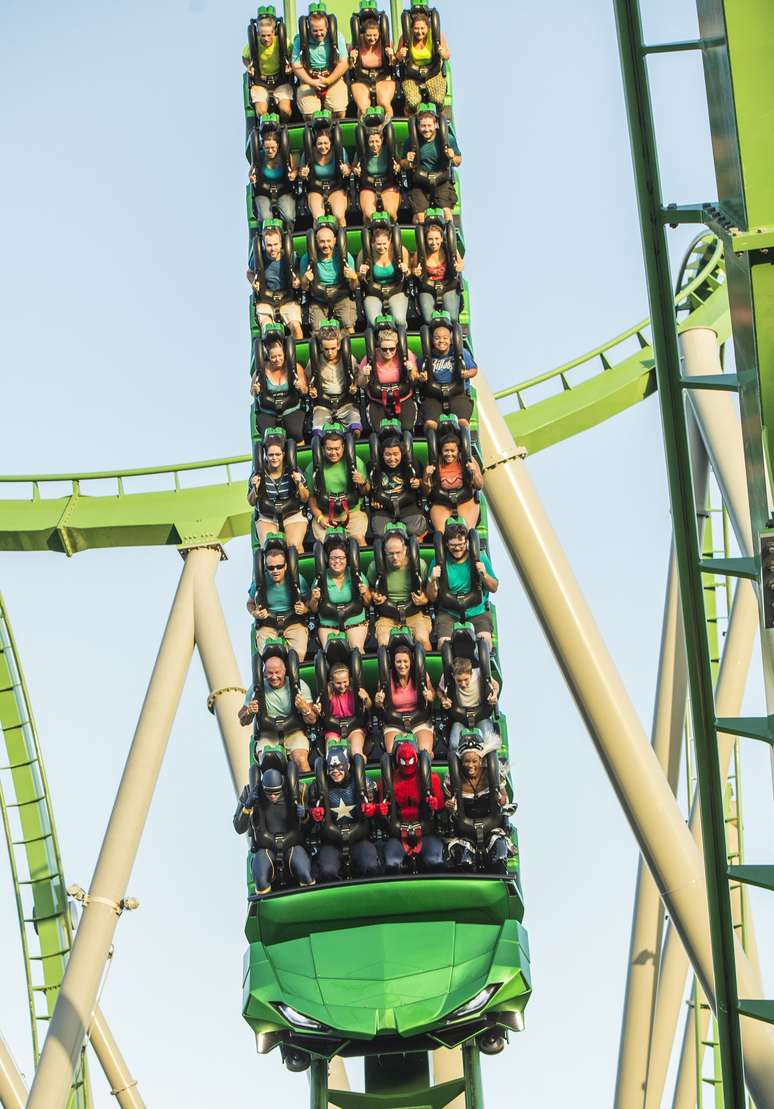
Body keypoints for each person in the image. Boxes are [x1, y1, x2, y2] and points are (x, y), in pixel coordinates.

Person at [233, 766, 315, 898]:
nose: (272, 796)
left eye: (276, 793)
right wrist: (247, 807)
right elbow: (238, 827)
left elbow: (314, 828)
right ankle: (264, 900)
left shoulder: (300, 790)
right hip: (265, 847)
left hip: (293, 844)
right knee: (260, 878)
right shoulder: (250, 791)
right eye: (269, 793)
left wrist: (305, 815)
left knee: (304, 871)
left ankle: (311, 898)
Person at [307, 747, 381, 881]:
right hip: (331, 841)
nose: (335, 772)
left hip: (359, 837)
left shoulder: (365, 783)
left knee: (371, 866)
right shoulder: (317, 788)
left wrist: (373, 809)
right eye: (331, 768)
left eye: (339, 767)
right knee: (327, 871)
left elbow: (378, 818)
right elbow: (308, 824)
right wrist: (313, 814)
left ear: (348, 765)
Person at [444, 730, 513, 875]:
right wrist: (450, 806)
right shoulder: (453, 779)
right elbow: (450, 804)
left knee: (498, 858)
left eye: (474, 761)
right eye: (466, 761)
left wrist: (502, 800)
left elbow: (506, 798)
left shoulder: (493, 774)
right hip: (466, 829)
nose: (470, 765)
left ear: (480, 760)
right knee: (464, 861)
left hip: (491, 826)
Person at [425, 516, 499, 649]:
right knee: (443, 643)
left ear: (466, 542)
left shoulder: (480, 557)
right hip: (449, 612)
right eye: (453, 546)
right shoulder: (438, 562)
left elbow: (494, 588)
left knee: (485, 640)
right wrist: (431, 580)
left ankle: (478, 668)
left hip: (476, 611)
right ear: (446, 544)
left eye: (461, 545)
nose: (458, 549)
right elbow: (432, 597)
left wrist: (484, 574)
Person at [239, 652, 317, 772]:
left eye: (277, 672)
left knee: (301, 760)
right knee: (268, 761)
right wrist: (249, 712)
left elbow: (312, 720)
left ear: (285, 671)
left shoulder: (300, 686)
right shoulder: (256, 689)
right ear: (264, 673)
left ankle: (307, 789)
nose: (274, 677)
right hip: (268, 734)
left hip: (293, 732)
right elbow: (242, 720)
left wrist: (304, 708)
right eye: (270, 673)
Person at [378, 739, 445, 874]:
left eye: (410, 760)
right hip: (397, 834)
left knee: (435, 861)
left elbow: (441, 807)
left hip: (426, 831)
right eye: (403, 761)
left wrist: (436, 804)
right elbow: (380, 814)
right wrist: (381, 811)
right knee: (392, 864)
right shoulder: (386, 782)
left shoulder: (432, 779)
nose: (407, 763)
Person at [305, 424, 370, 544]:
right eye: (329, 449)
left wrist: (363, 482)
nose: (333, 453)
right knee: (328, 544)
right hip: (325, 513)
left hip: (352, 512)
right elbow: (312, 497)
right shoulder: (313, 467)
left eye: (337, 448)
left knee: (359, 540)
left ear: (343, 447)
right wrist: (319, 518)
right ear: (323, 448)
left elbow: (366, 491)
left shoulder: (356, 462)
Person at [368, 525, 432, 647]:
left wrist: (425, 598)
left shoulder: (419, 565)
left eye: (398, 552)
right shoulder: (375, 567)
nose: (395, 557)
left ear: (406, 549)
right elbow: (370, 587)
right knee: (384, 642)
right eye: (390, 554)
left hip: (413, 613)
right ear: (384, 552)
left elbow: (427, 589)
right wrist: (374, 595)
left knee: (422, 638)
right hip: (387, 615)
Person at [248, 538, 311, 658]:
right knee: (267, 656)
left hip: (293, 621)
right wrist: (254, 613)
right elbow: (250, 603)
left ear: (286, 566)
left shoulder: (297, 579)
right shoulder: (260, 581)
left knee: (298, 655)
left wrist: (305, 609)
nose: (275, 571)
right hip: (268, 623)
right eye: (271, 568)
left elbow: (309, 601)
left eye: (279, 566)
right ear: (266, 567)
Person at [308, 531, 371, 652]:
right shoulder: (321, 577)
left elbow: (368, 603)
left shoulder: (356, 574)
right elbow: (314, 609)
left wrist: (365, 592)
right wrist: (315, 599)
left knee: (357, 650)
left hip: (355, 621)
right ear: (328, 559)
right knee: (330, 651)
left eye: (341, 558)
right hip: (329, 623)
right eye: (333, 558)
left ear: (347, 559)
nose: (337, 561)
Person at [247, 429, 310, 550]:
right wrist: (255, 488)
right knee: (270, 546)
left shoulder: (294, 470)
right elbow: (251, 501)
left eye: (278, 454)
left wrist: (299, 484)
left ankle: (296, 568)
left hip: (292, 513)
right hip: (267, 516)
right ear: (266, 455)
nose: (274, 458)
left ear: (284, 454)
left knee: (294, 546)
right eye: (271, 455)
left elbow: (305, 497)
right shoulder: (258, 473)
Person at [374, 636, 435, 753]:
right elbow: (378, 705)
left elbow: (433, 696)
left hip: (419, 720)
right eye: (398, 662)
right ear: (394, 662)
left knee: (425, 751)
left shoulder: (421, 675)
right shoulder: (386, 678)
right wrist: (378, 701)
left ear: (411, 662)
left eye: (405, 661)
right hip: (394, 722)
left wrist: (430, 697)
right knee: (394, 752)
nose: (402, 665)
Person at [358, 321, 421, 432]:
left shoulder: (406, 355)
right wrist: (365, 375)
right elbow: (361, 384)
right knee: (379, 430)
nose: (388, 352)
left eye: (392, 349)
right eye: (384, 349)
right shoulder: (369, 358)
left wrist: (411, 370)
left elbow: (415, 380)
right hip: (378, 400)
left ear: (396, 346)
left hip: (402, 398)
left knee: (407, 428)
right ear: (379, 346)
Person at [402, 105, 460, 223]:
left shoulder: (447, 139)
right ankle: (423, 238)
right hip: (420, 182)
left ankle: (446, 235)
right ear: (418, 126)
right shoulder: (410, 141)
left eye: (429, 126)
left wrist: (452, 156)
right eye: (423, 126)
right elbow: (403, 164)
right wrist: (408, 161)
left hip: (441, 180)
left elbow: (458, 161)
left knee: (446, 212)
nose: (426, 129)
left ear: (435, 125)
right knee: (419, 217)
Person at [422, 420, 483, 531]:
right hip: (441, 502)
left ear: (457, 450)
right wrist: (426, 477)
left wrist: (474, 472)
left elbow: (479, 485)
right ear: (441, 450)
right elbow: (426, 492)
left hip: (465, 500)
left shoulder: (467, 459)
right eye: (446, 451)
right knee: (441, 531)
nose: (449, 454)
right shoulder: (435, 461)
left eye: (452, 451)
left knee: (467, 531)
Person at [419, 313, 477, 430]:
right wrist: (420, 376)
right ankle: (435, 445)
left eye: (445, 338)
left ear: (450, 339)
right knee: (430, 424)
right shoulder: (425, 356)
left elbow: (474, 370)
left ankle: (461, 445)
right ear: (432, 340)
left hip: (457, 392)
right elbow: (416, 374)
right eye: (437, 338)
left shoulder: (462, 353)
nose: (441, 341)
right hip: (434, 395)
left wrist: (467, 373)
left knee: (462, 422)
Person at [300, 220, 359, 333]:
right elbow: (304, 287)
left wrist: (353, 277)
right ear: (316, 241)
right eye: (322, 242)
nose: (326, 245)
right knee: (317, 330)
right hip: (318, 299)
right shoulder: (307, 258)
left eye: (328, 241)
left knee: (348, 325)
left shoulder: (345, 257)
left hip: (341, 296)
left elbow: (353, 287)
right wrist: (306, 280)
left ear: (335, 240)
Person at [367, 428, 427, 538]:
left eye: (396, 454)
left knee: (415, 530)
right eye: (388, 454)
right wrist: (373, 501)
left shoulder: (413, 464)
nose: (392, 458)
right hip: (384, 508)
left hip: (408, 505)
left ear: (402, 453)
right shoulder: (373, 466)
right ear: (382, 454)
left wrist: (419, 482)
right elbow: (370, 490)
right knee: (380, 533)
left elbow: (424, 488)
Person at [291, 7, 350, 120]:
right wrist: (311, 81)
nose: (319, 33)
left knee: (339, 111)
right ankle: (315, 135)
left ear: (327, 27)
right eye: (315, 30)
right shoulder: (300, 40)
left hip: (332, 77)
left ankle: (332, 134)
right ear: (309, 28)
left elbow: (344, 62)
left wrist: (329, 80)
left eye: (321, 30)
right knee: (309, 114)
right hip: (309, 79)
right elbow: (296, 65)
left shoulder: (337, 36)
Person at [247, 223, 304, 339]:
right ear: (264, 245)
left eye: (275, 244)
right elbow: (249, 273)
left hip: (287, 298)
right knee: (269, 329)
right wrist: (253, 282)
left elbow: (298, 271)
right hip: (265, 300)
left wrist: (298, 280)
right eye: (269, 245)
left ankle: (297, 355)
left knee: (296, 328)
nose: (273, 248)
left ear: (281, 243)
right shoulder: (258, 258)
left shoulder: (291, 257)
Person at [250, 329, 309, 441]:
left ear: (284, 353)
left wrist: (301, 387)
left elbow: (305, 390)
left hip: (291, 408)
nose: (277, 359)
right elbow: (252, 392)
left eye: (280, 355)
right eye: (273, 357)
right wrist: (255, 390)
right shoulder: (260, 371)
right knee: (270, 438)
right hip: (268, 410)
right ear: (268, 355)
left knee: (296, 434)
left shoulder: (295, 367)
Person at [307, 321, 362, 435]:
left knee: (356, 430)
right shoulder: (315, 360)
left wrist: (355, 385)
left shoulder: (347, 358)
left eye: (333, 348)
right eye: (326, 349)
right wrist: (311, 389)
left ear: (339, 345)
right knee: (317, 433)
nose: (330, 352)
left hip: (345, 402)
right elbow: (308, 378)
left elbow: (357, 373)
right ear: (321, 347)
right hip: (323, 404)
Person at [438, 656, 500, 754]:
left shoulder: (479, 673)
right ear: (453, 675)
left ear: (471, 674)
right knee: (454, 745)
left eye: (466, 679)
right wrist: (443, 698)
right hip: (460, 717)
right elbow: (439, 690)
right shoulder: (447, 677)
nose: (463, 684)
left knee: (489, 744)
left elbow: (496, 684)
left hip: (481, 715)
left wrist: (494, 694)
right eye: (459, 680)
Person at [395, 4, 450, 114]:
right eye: (416, 28)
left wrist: (443, 53)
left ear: (428, 27)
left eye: (422, 28)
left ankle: (438, 118)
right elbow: (396, 59)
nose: (419, 32)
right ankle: (411, 118)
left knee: (437, 100)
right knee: (413, 102)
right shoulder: (406, 37)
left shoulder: (436, 35)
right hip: (412, 74)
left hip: (433, 72)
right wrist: (400, 55)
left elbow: (447, 55)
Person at [242, 10, 294, 122]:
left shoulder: (283, 42)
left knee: (285, 110)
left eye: (269, 35)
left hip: (280, 81)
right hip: (261, 82)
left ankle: (282, 127)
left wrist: (290, 64)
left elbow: (292, 54)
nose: (266, 39)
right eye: (263, 35)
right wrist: (248, 66)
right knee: (261, 112)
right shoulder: (253, 44)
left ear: (274, 31)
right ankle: (268, 130)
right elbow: (244, 57)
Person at [357, 220, 410, 328]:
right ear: (372, 242)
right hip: (373, 292)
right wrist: (361, 274)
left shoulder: (400, 251)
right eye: (378, 244)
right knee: (374, 322)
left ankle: (398, 340)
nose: (382, 247)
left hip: (396, 290)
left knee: (399, 320)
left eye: (384, 244)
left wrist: (406, 270)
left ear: (390, 240)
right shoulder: (364, 253)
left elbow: (408, 274)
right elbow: (358, 278)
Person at [299, 118, 351, 227]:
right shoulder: (308, 154)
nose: (323, 147)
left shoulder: (340, 152)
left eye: (326, 143)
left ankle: (342, 240)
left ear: (331, 142)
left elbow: (348, 170)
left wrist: (346, 171)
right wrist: (302, 174)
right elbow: (300, 172)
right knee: (319, 217)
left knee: (339, 215)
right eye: (320, 143)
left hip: (336, 187)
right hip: (315, 189)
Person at [412, 215, 463, 324]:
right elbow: (414, 268)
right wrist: (416, 272)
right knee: (428, 319)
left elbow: (460, 263)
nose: (434, 242)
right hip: (428, 287)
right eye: (430, 239)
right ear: (425, 240)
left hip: (448, 285)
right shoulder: (421, 253)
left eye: (436, 239)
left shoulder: (449, 249)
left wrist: (459, 267)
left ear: (441, 238)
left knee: (452, 318)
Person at [248, 118, 298, 229]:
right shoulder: (259, 156)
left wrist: (293, 174)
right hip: (263, 192)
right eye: (267, 148)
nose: (270, 151)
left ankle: (287, 237)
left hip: (283, 190)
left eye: (272, 148)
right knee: (266, 219)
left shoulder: (285, 156)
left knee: (289, 217)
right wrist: (252, 178)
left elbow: (294, 169)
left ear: (278, 146)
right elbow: (252, 171)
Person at [349, 7, 396, 119]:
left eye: (375, 35)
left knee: (384, 103)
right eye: (369, 35)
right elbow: (351, 67)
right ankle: (364, 130)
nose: (372, 38)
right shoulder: (355, 43)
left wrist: (391, 56)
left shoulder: (385, 43)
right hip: (362, 78)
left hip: (382, 76)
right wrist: (351, 59)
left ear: (379, 33)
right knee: (363, 107)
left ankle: (387, 126)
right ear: (363, 34)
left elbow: (393, 63)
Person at [317, 661, 371, 757]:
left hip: (354, 727)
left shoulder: (354, 690)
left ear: (349, 680)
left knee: (357, 751)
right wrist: (318, 709)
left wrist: (366, 699)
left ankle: (359, 767)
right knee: (332, 755)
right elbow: (321, 710)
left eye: (345, 682)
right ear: (332, 682)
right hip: (333, 729)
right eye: (338, 683)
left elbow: (369, 706)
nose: (342, 686)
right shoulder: (328, 693)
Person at [354, 112, 402, 221]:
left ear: (382, 140)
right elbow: (353, 166)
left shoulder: (389, 150)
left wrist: (398, 167)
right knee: (369, 214)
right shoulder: (362, 151)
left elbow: (399, 163)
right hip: (368, 184)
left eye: (377, 141)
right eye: (371, 142)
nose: (374, 145)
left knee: (391, 213)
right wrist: (356, 170)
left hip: (387, 183)